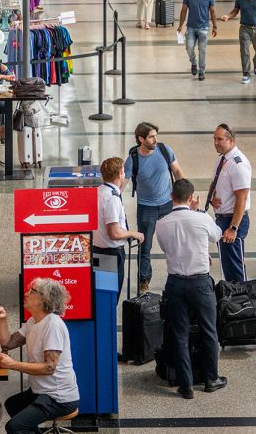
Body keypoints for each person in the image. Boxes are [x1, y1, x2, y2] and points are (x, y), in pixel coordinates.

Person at [155, 178, 225, 399]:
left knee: (180, 334)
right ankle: (211, 379)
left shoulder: (162, 222)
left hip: (175, 282)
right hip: (200, 283)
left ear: (171, 197)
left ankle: (185, 385)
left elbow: (167, 249)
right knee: (208, 331)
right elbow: (217, 236)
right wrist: (201, 213)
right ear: (192, 197)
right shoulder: (202, 218)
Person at [0, 279, 81, 432]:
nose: (26, 293)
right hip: (40, 391)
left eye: (32, 291)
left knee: (14, 426)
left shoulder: (52, 325)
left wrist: (12, 364)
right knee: (12, 405)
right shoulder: (33, 321)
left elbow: (49, 368)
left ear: (44, 299)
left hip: (58, 397)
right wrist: (3, 319)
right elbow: (8, 343)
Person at [123, 122, 183, 294]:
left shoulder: (165, 150)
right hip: (146, 207)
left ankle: (178, 275)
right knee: (145, 245)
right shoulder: (133, 159)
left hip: (168, 204)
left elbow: (178, 172)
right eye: (151, 136)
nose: (155, 139)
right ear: (141, 139)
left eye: (155, 135)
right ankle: (144, 281)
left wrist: (184, 196)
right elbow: (121, 185)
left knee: (175, 242)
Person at [92, 157, 144, 295]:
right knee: (110, 297)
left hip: (97, 250)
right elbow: (114, 233)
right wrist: (132, 233)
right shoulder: (112, 198)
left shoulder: (97, 192)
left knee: (102, 296)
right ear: (120, 174)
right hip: (111, 255)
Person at [209, 124, 251, 283]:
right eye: (214, 138)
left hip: (232, 221)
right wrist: (212, 198)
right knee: (227, 267)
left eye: (220, 139)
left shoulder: (238, 164)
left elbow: (242, 198)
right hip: (222, 219)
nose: (215, 142)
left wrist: (233, 228)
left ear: (231, 140)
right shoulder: (222, 158)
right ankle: (232, 301)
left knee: (235, 268)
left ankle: (242, 301)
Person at [178, 0, 217, 80]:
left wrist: (215, 26)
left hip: (204, 28)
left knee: (202, 50)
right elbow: (183, 11)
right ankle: (193, 62)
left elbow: (213, 12)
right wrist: (180, 25)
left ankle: (202, 71)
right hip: (191, 27)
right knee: (189, 47)